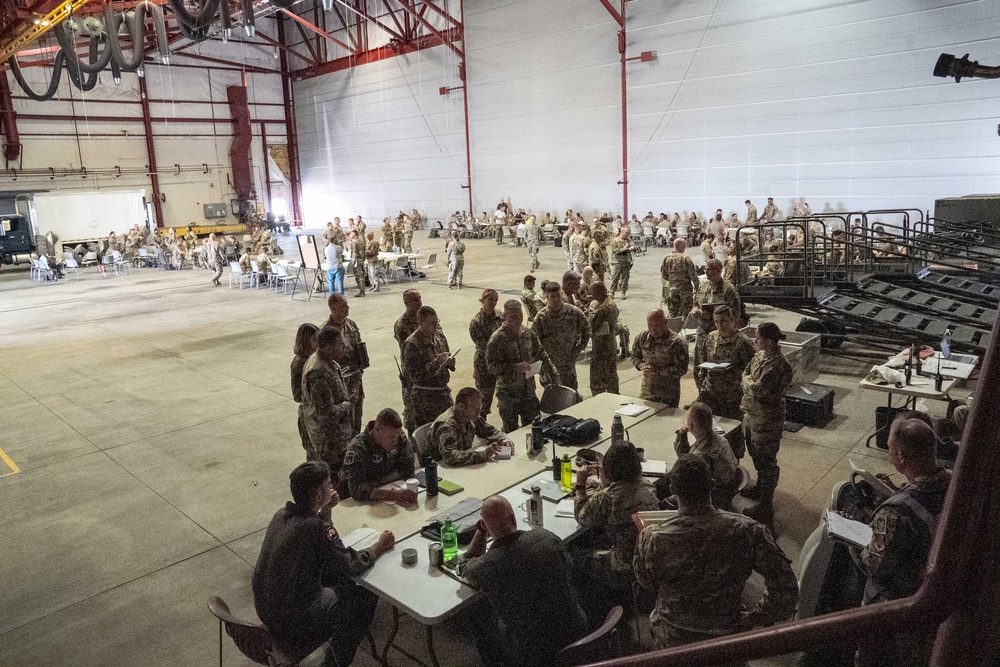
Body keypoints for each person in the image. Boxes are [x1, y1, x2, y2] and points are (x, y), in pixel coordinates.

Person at [634, 455, 798, 653]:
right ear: (711, 486)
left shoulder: (651, 538)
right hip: (726, 639)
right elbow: (786, 589)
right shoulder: (748, 531)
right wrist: (755, 617)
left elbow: (646, 583)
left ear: (672, 490)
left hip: (672, 640)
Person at [253, 461, 395, 667]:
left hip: (265, 610)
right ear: (318, 495)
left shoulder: (281, 515)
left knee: (333, 578)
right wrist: (378, 547)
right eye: (328, 485)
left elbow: (318, 543)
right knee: (363, 596)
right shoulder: (314, 528)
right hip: (291, 621)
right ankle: (334, 664)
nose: (332, 488)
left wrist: (326, 510)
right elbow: (349, 564)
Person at [855, 418, 951, 667]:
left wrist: (856, 543)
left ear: (900, 456)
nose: (889, 457)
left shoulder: (895, 513)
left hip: (900, 609)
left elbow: (874, 565)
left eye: (889, 450)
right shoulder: (953, 482)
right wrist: (897, 490)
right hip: (940, 591)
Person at [463, 495, 589, 667]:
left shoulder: (485, 567)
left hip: (534, 652)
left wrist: (481, 530)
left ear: (486, 526)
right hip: (577, 631)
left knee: (475, 610)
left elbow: (466, 565)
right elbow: (568, 569)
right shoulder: (546, 537)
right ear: (513, 518)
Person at [572, 442, 658, 614]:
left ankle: (593, 612)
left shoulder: (607, 499)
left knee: (573, 556)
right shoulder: (648, 486)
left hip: (623, 569)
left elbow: (581, 517)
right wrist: (606, 484)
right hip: (648, 563)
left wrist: (580, 486)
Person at [739, 322, 794, 525]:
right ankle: (761, 488)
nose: (755, 341)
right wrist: (749, 382)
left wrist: (748, 383)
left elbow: (758, 389)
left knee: (766, 461)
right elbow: (745, 374)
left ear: (769, 341)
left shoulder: (778, 364)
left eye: (758, 338)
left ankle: (765, 504)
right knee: (755, 454)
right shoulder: (760, 355)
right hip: (752, 414)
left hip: (767, 419)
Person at [301, 327, 358, 495]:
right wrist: (348, 404)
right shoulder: (318, 372)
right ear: (327, 347)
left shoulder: (327, 361)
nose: (345, 346)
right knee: (335, 487)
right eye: (340, 344)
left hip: (338, 436)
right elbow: (327, 414)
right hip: (330, 441)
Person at [487, 300, 558, 433]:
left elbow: (541, 353)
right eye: (513, 316)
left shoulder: (527, 333)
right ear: (504, 316)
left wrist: (553, 372)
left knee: (534, 427)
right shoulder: (497, 339)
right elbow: (491, 366)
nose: (518, 319)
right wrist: (514, 367)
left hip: (528, 391)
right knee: (511, 431)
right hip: (508, 394)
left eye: (520, 315)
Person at [339, 408, 417, 505]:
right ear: (376, 430)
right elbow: (357, 490)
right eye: (390, 437)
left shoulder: (398, 435)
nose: (395, 441)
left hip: (387, 497)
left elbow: (408, 469)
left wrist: (376, 483)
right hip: (359, 504)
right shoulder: (358, 448)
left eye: (397, 435)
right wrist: (395, 495)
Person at [671, 403, 740, 509]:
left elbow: (684, 463)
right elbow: (686, 458)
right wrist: (682, 435)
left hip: (713, 497)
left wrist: (681, 434)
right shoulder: (721, 439)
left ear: (691, 426)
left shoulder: (702, 456)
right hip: (729, 487)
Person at [694, 305, 756, 421]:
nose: (720, 325)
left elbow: (750, 371)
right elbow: (703, 362)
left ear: (732, 320)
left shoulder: (742, 342)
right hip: (710, 393)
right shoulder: (711, 337)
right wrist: (702, 384)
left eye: (723, 321)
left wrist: (731, 372)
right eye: (716, 322)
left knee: (732, 427)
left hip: (731, 395)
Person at [427, 387, 512, 466]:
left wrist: (504, 439)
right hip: (441, 469)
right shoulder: (447, 426)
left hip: (462, 465)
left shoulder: (471, 417)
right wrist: (483, 455)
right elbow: (450, 457)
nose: (479, 413)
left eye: (480, 408)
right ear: (461, 406)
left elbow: (490, 431)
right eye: (475, 409)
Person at [532, 279, 591, 392]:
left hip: (568, 364)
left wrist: (578, 349)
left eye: (558, 295)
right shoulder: (541, 317)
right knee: (553, 397)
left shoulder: (573, 312)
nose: (556, 299)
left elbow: (587, 329)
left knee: (571, 394)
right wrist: (541, 366)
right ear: (547, 297)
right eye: (552, 296)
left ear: (562, 294)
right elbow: (534, 342)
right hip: (550, 365)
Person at [402, 306, 455, 429]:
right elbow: (415, 376)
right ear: (420, 322)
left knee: (449, 427)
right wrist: (436, 362)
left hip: (443, 393)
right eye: (432, 323)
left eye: (437, 321)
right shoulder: (412, 344)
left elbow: (446, 353)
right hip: (425, 398)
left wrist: (449, 363)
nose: (436, 326)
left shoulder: (439, 336)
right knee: (429, 431)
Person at [323, 294, 367, 433]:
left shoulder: (351, 325)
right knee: (344, 423)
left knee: (357, 419)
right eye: (343, 306)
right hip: (340, 383)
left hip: (356, 380)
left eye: (347, 304)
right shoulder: (326, 331)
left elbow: (359, 348)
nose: (347, 308)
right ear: (333, 308)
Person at [631, 309, 689, 407]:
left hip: (668, 393)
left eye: (656, 325)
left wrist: (658, 371)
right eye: (650, 325)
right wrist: (640, 365)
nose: (653, 329)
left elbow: (681, 369)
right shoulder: (642, 337)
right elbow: (634, 356)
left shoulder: (677, 343)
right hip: (647, 391)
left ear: (665, 323)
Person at [470, 289, 503, 418]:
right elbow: (483, 346)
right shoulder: (476, 322)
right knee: (483, 403)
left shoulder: (500, 315)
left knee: (504, 398)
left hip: (500, 364)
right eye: (490, 300)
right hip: (484, 366)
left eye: (495, 300)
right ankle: (479, 427)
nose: (493, 303)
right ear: (483, 300)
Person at [691, 259, 743, 338]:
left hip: (720, 330)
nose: (706, 272)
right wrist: (695, 310)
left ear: (718, 271)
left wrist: (714, 316)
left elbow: (736, 313)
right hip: (702, 329)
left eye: (709, 269)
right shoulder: (702, 286)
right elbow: (695, 302)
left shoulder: (728, 289)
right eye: (705, 269)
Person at [394, 289, 422, 434]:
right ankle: (412, 441)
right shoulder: (401, 325)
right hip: (411, 374)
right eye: (415, 299)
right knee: (411, 409)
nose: (420, 302)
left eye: (419, 298)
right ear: (406, 303)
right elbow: (411, 348)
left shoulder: (424, 318)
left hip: (426, 371)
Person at [291, 323, 320, 460]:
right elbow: (297, 395)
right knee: (313, 454)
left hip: (319, 415)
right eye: (314, 340)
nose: (318, 343)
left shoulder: (317, 358)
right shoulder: (299, 364)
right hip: (309, 416)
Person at [588, 282, 619, 396]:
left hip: (601, 347)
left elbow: (591, 324)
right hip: (610, 343)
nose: (591, 295)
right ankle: (614, 395)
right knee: (611, 373)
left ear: (597, 292)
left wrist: (590, 313)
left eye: (592, 292)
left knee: (597, 377)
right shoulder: (611, 303)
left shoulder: (601, 309)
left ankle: (599, 398)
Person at [661, 238, 699, 319]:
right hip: (685, 291)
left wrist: (672, 283)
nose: (685, 248)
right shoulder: (686, 258)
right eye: (684, 246)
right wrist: (697, 288)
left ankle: (671, 328)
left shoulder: (667, 258)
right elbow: (693, 276)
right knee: (687, 312)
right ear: (679, 246)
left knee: (672, 312)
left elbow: (664, 275)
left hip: (671, 289)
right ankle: (686, 328)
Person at [609, 226, 634, 300]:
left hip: (626, 262)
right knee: (615, 277)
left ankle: (623, 292)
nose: (628, 234)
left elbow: (632, 245)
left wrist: (631, 248)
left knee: (625, 278)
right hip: (617, 262)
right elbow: (614, 251)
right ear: (622, 232)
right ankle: (612, 292)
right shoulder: (615, 240)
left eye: (629, 233)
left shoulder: (628, 240)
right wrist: (622, 250)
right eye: (626, 233)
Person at [350, 231, 367, 297]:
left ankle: (362, 291)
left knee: (358, 277)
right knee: (361, 276)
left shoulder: (354, 242)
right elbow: (364, 251)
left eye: (351, 233)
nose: (350, 235)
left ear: (354, 234)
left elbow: (354, 253)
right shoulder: (361, 241)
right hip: (361, 260)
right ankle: (362, 290)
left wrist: (352, 262)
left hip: (357, 261)